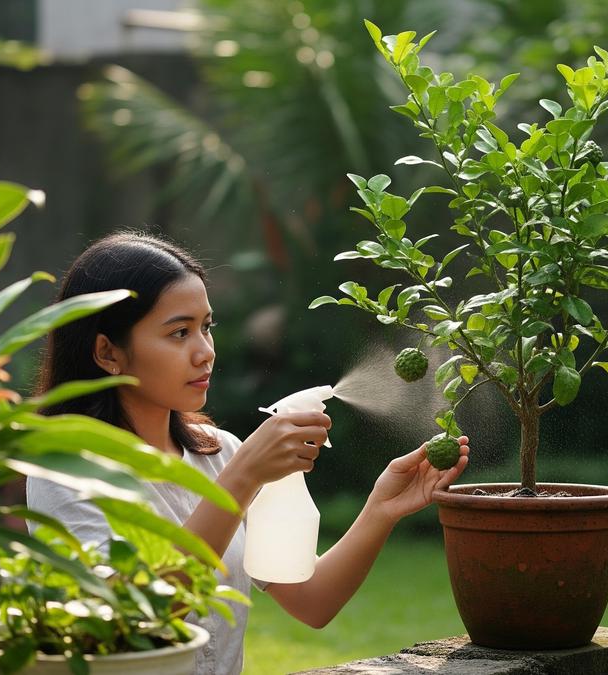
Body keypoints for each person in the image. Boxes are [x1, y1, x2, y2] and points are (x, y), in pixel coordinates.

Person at [27, 231, 471, 675]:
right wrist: (241, 478)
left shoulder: (220, 454)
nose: (205, 352)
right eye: (179, 332)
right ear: (108, 352)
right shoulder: (67, 472)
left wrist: (381, 508)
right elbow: (133, 619)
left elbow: (311, 599)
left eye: (206, 327)